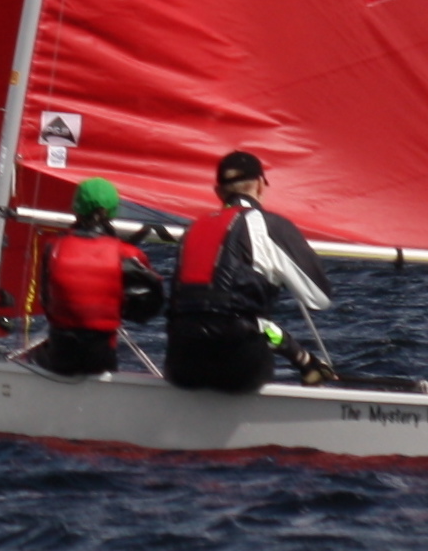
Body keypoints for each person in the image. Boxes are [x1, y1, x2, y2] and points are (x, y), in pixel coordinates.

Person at [165, 150, 334, 394]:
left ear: (218, 192)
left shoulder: (192, 230)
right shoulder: (270, 225)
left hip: (181, 366)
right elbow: (320, 298)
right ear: (260, 185)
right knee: (253, 328)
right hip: (239, 370)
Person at [31, 177, 164, 376]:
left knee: (36, 356)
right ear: (112, 210)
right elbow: (150, 306)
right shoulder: (126, 253)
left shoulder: (53, 248)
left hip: (61, 355)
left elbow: (46, 301)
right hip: (101, 358)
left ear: (76, 207)